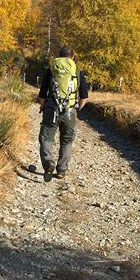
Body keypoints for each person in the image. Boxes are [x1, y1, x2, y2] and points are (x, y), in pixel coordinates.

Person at [36, 46, 89, 180]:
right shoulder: (77, 72)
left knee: (46, 138)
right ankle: (61, 170)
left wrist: (43, 107)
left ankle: (49, 163)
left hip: (51, 110)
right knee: (67, 140)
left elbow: (42, 94)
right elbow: (84, 97)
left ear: (59, 56)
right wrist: (76, 109)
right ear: (72, 57)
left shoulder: (51, 70)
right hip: (69, 112)